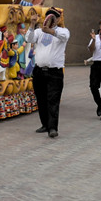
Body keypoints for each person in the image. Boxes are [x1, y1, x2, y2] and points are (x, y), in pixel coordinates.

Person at [26, 8, 70, 138]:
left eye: (54, 17)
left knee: (53, 99)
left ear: (58, 19)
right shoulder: (39, 32)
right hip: (39, 70)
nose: (51, 19)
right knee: (41, 99)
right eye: (48, 16)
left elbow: (64, 37)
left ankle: (52, 128)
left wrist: (50, 31)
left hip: (54, 72)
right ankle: (45, 124)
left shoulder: (62, 31)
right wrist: (33, 24)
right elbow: (29, 38)